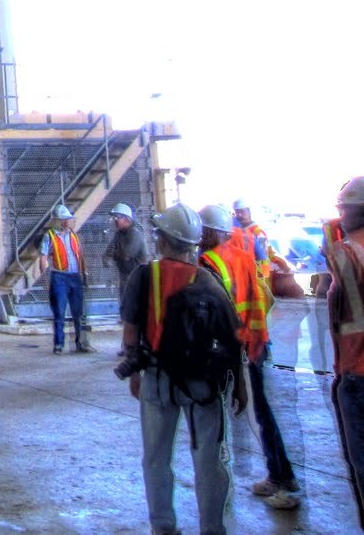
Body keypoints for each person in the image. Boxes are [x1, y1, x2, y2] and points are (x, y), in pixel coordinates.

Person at [119, 202, 247, 535]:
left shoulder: (143, 276)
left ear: (162, 240)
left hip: (157, 379)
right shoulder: (207, 279)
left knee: (156, 458)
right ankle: (212, 528)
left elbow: (131, 332)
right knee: (209, 459)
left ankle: (163, 527)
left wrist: (135, 374)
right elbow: (233, 337)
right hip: (202, 382)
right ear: (193, 244)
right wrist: (240, 385)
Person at [200, 203, 298, 510]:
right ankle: (281, 476)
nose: (199, 235)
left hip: (236, 348)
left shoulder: (209, 262)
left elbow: (212, 312)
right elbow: (264, 298)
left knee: (248, 416)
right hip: (253, 343)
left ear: (212, 232)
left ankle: (284, 484)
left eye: (202, 230)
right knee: (261, 414)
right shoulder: (241, 256)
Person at [325, 176, 364, 528]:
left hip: (358, 372)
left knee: (362, 465)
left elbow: (339, 301)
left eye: (343, 209)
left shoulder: (347, 252)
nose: (338, 215)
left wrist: (333, 229)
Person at [40, 204, 93, 353]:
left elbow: (80, 256)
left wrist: (84, 275)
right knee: (59, 312)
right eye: (68, 219)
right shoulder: (49, 236)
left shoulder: (74, 236)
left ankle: (80, 343)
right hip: (59, 278)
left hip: (75, 277)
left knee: (78, 313)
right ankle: (59, 344)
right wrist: (45, 277)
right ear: (62, 221)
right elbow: (43, 257)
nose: (71, 221)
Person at [107, 202, 150, 287]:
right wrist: (114, 255)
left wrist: (114, 255)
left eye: (117, 217)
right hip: (125, 279)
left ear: (126, 219)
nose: (114, 220)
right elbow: (107, 254)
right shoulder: (119, 235)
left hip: (137, 280)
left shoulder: (135, 234)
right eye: (114, 217)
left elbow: (126, 255)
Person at [232, 197, 273, 281]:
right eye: (237, 212)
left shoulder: (259, 233)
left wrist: (262, 277)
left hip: (256, 276)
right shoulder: (235, 231)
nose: (239, 215)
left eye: (242, 211)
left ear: (249, 211)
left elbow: (263, 258)